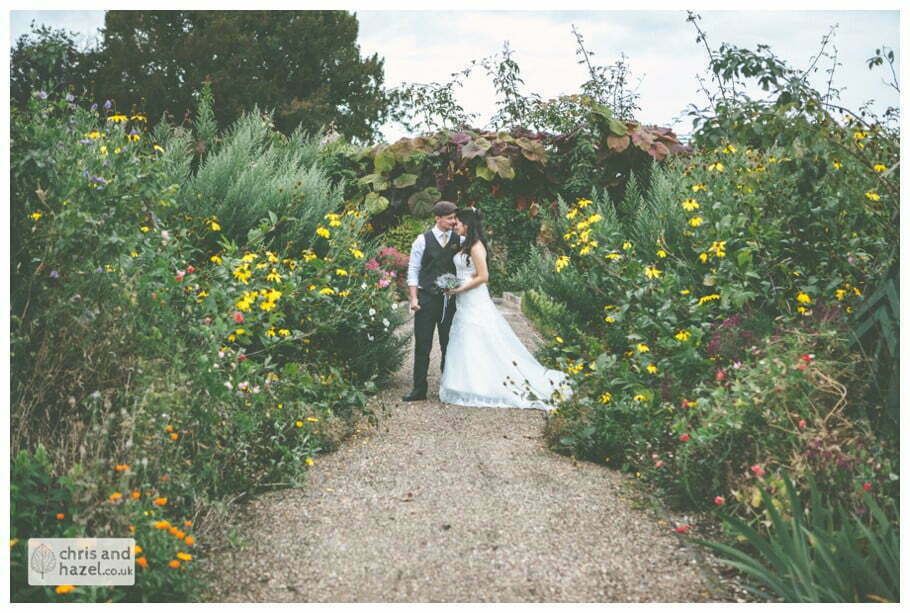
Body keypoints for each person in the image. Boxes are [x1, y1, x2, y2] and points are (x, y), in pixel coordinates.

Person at [439, 207, 570, 411]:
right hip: (464, 299)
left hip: (474, 298)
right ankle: (466, 382)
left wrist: (459, 288)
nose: (455, 225)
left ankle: (484, 383)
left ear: (468, 224)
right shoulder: (463, 245)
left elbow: (484, 276)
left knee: (480, 335)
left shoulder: (476, 246)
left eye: (458, 222)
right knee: (466, 337)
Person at [402, 201, 464, 402]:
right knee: (423, 345)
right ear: (437, 218)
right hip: (426, 299)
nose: (453, 221)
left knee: (449, 344)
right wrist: (413, 298)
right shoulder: (422, 240)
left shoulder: (460, 240)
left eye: (455, 218)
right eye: (449, 218)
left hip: (449, 301)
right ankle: (419, 389)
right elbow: (413, 270)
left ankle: (448, 388)